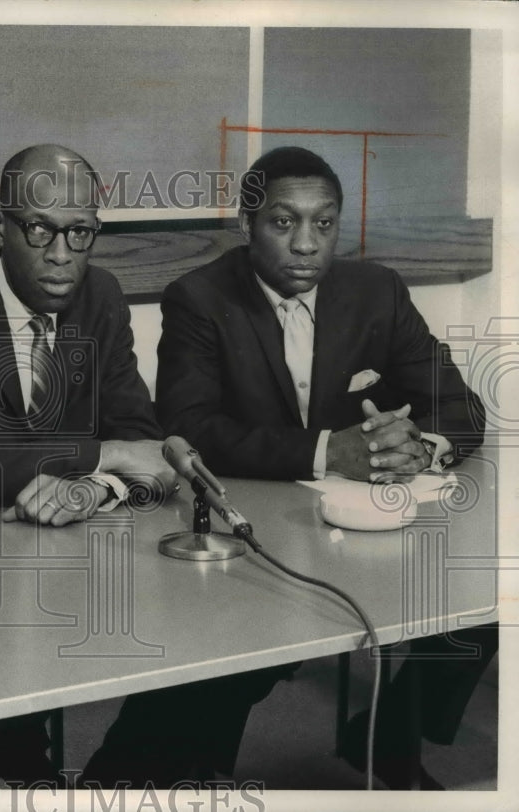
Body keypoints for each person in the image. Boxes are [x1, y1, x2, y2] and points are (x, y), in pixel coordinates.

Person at [0, 144, 292, 788]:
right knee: (7, 692)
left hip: (80, 552)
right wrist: (101, 456)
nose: (60, 253)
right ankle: (43, 783)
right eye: (39, 229)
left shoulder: (101, 296)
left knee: (220, 642)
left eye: (80, 231)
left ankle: (112, 786)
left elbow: (140, 435)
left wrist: (91, 490)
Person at [155, 145, 494, 789]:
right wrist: (326, 451)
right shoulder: (197, 298)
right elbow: (189, 427)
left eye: (325, 222)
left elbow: (459, 407)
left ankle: (391, 735)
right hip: (257, 529)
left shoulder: (378, 291)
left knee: (483, 603)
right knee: (240, 666)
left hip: (363, 521)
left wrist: (421, 446)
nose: (307, 243)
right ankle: (191, 777)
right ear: (246, 226)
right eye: (283, 223)